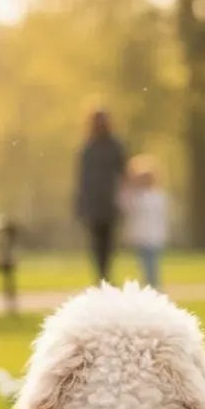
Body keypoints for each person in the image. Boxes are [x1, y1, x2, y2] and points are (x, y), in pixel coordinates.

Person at [74, 108, 126, 284]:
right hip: (93, 204)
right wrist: (80, 204)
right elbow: (82, 179)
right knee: (96, 243)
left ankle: (106, 274)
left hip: (111, 203)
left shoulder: (116, 146)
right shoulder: (87, 148)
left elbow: (123, 173)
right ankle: (101, 275)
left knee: (109, 243)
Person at [120, 154, 169, 289]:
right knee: (145, 263)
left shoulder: (157, 196)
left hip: (153, 236)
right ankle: (150, 284)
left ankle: (153, 285)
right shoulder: (137, 196)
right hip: (142, 236)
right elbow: (125, 205)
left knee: (151, 263)